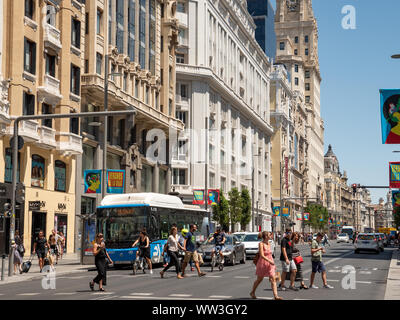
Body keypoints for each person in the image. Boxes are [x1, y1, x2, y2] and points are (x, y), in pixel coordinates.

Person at [250, 231, 282, 300]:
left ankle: (276, 296)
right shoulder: (261, 244)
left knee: (273, 279)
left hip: (270, 264)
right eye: (269, 235)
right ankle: (252, 292)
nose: (270, 236)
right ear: (266, 236)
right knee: (259, 279)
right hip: (263, 263)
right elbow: (262, 255)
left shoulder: (269, 243)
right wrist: (269, 260)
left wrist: (272, 261)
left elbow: (270, 254)